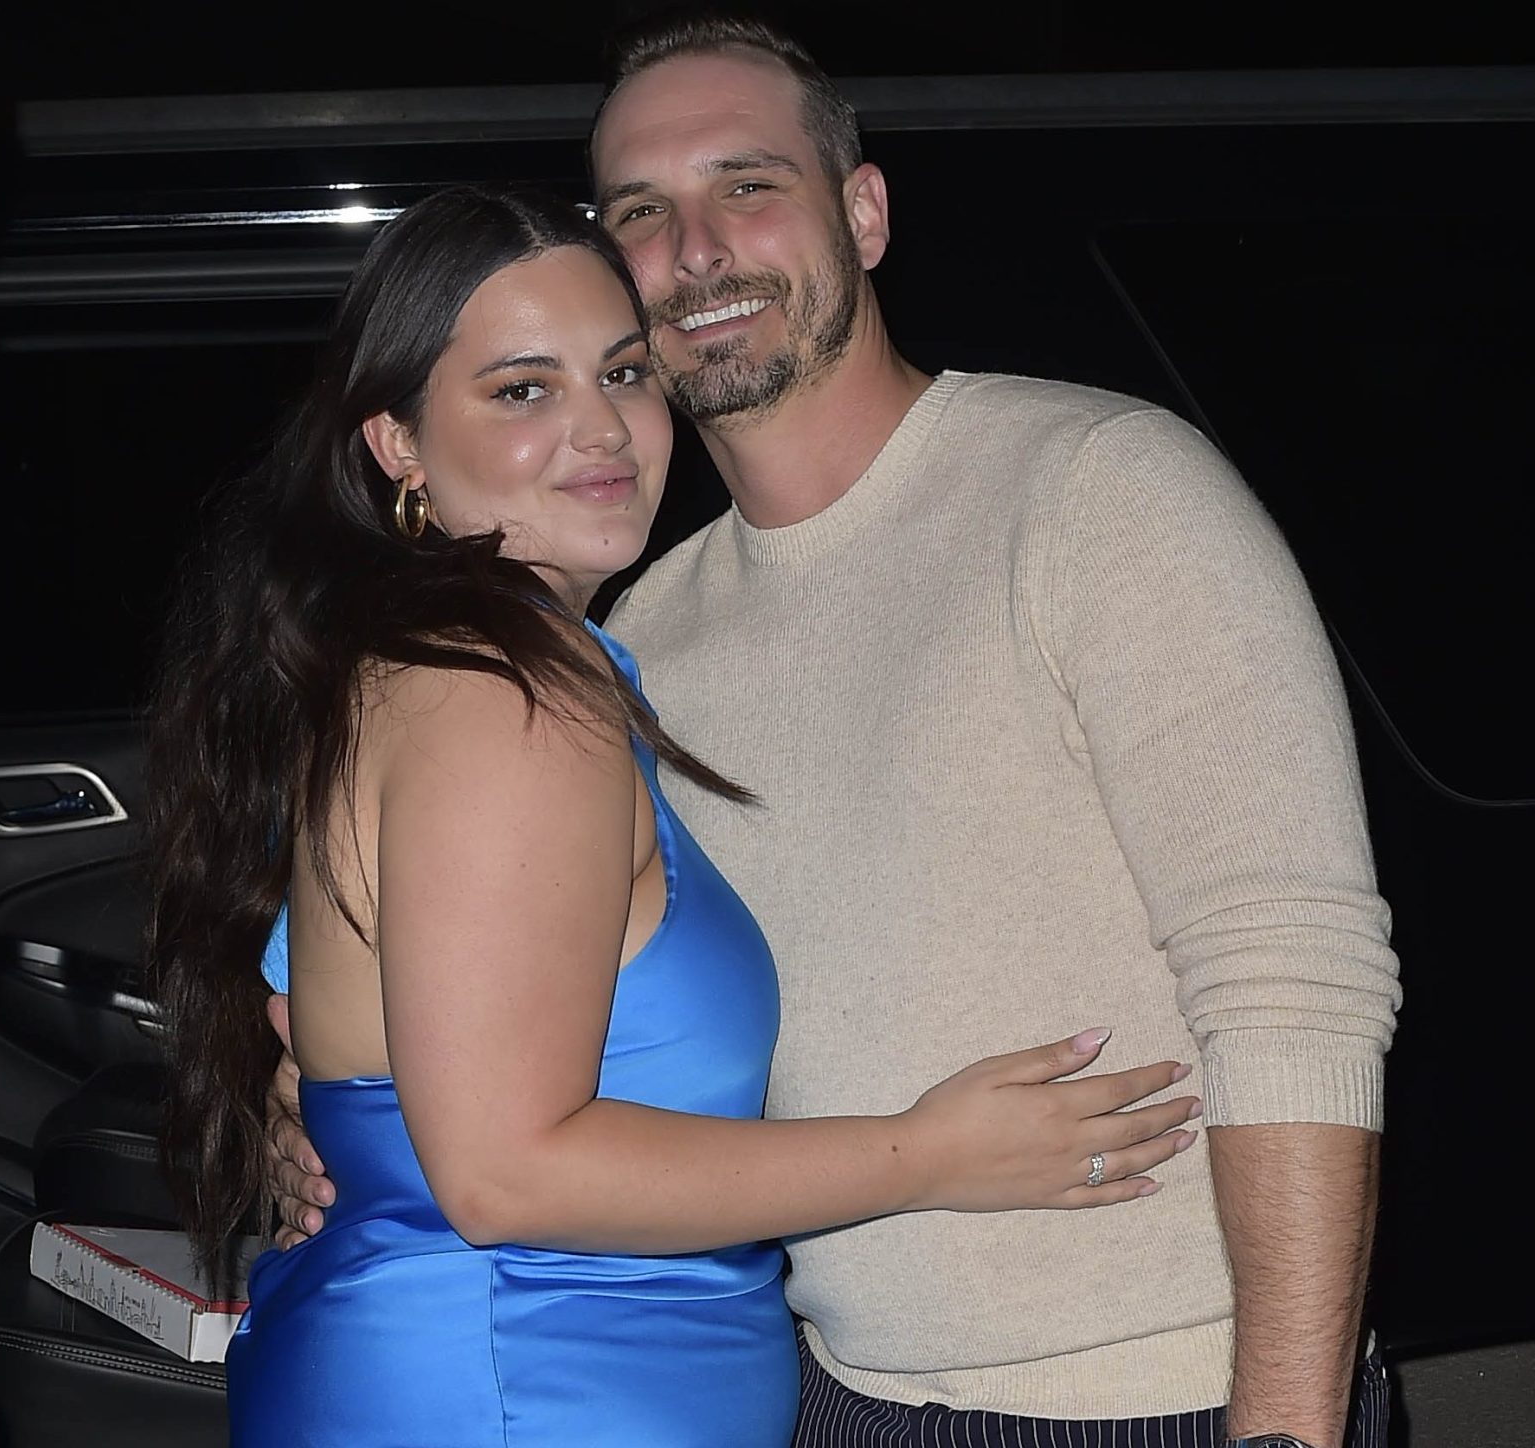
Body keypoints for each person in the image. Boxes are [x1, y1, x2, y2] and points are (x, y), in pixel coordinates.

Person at [272, 18, 1405, 1445]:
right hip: (840, 1396)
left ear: (862, 214)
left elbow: (1294, 986)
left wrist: (1287, 1426)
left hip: (1156, 1395)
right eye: (640, 212)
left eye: (747, 185)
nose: (694, 249)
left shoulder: (1097, 495)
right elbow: (466, 972)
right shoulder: (630, 637)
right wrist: (326, 1105)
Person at [146, 184, 1200, 1448]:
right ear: (399, 445)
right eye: (522, 389)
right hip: (511, 1388)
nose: (603, 429)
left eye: (624, 371)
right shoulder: (496, 694)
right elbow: (503, 1171)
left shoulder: (469, 659)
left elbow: (387, 1072)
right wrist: (927, 1154)